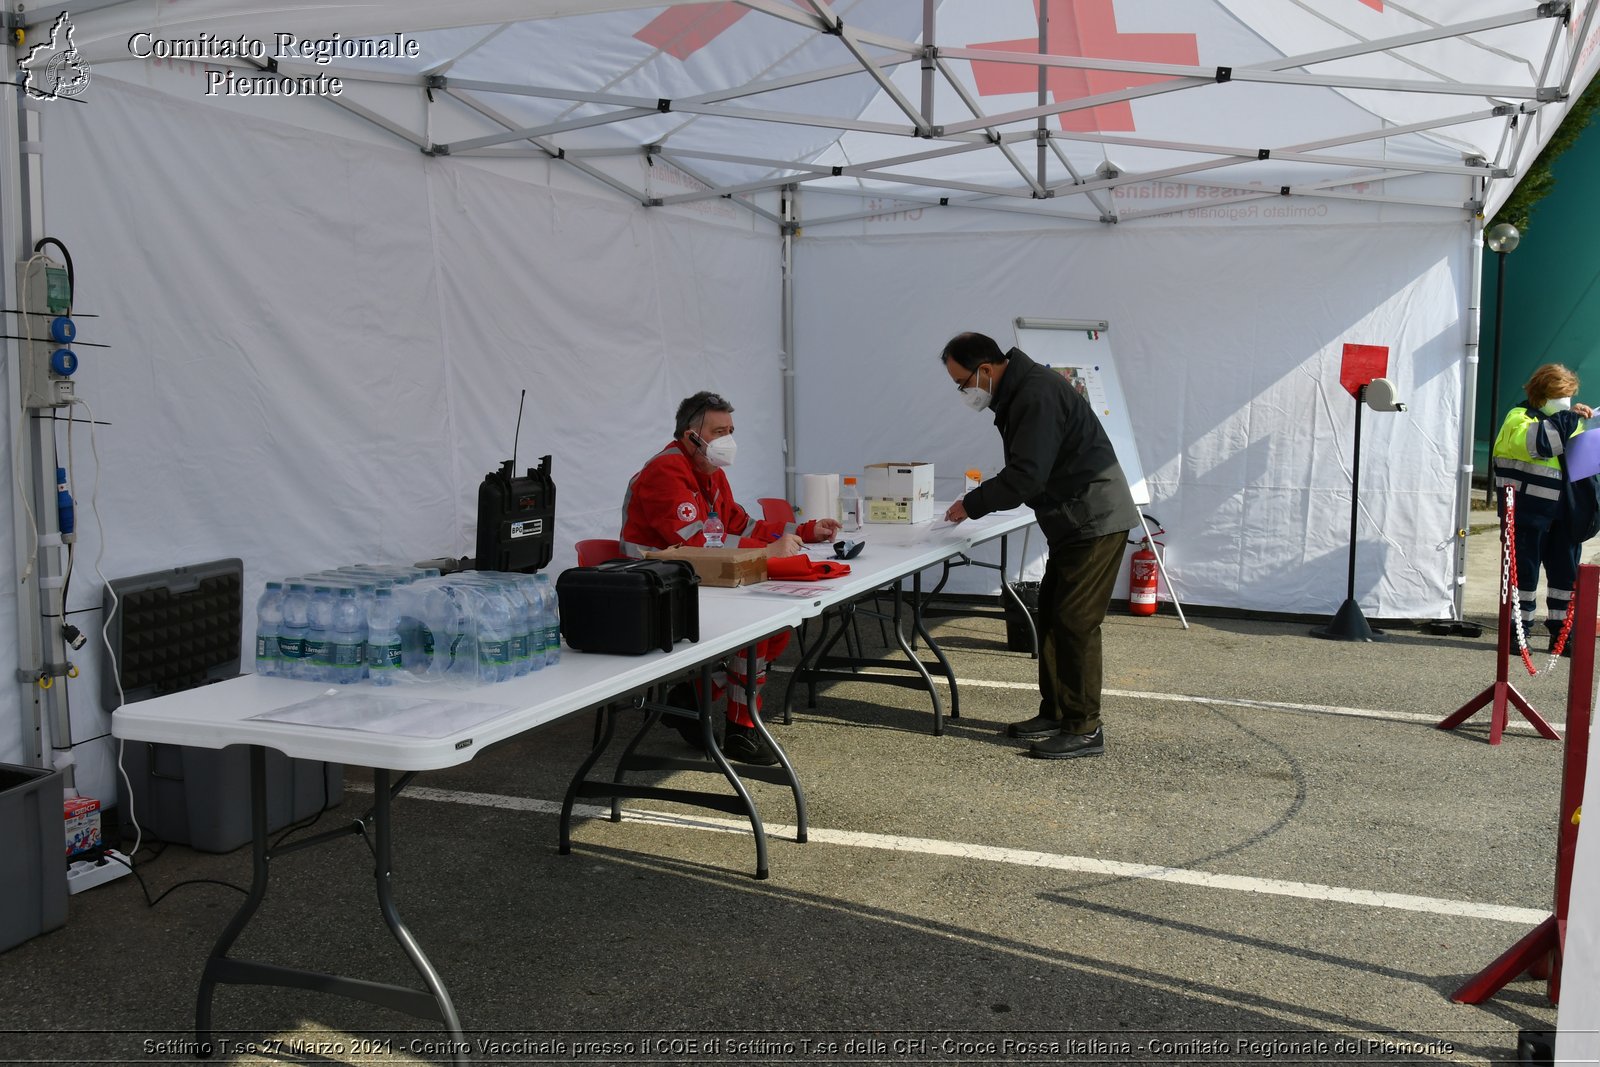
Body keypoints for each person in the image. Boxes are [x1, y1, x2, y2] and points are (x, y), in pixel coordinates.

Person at [940, 332, 1140, 760]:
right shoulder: (1023, 391)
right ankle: (1056, 712)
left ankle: (1084, 728)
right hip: (1075, 520)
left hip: (1093, 518)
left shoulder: (1035, 394)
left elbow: (1027, 475)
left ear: (987, 370)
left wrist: (971, 505)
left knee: (1074, 621)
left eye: (963, 383)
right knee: (1050, 615)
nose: (964, 393)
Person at [621, 390, 840, 764]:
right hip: (653, 590)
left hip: (696, 583)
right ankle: (740, 730)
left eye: (731, 430)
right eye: (719, 431)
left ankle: (693, 697)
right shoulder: (665, 470)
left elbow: (742, 524)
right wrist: (763, 553)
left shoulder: (712, 472)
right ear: (691, 435)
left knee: (778, 627)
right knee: (752, 634)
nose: (728, 440)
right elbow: (694, 541)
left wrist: (804, 529)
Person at [1491, 363, 1596, 652]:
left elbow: (1581, 466)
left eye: (1570, 396)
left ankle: (1562, 635)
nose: (1567, 402)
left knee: (1565, 579)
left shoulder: (1563, 420)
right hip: (1527, 516)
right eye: (1562, 395)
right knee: (1523, 577)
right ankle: (1518, 634)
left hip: (1563, 517)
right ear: (1542, 394)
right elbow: (1541, 444)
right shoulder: (1519, 418)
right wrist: (1568, 418)